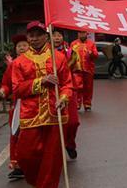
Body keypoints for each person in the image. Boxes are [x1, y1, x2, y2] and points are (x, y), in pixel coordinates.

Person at [12, 21, 72, 188]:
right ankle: (38, 183)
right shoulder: (19, 62)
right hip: (30, 116)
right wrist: (41, 81)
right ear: (27, 37)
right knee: (25, 156)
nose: (35, 38)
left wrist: (64, 97)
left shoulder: (58, 58)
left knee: (52, 159)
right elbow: (17, 89)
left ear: (46, 36)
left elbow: (67, 83)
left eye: (39, 35)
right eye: (31, 35)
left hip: (55, 114)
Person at [0, 34, 29, 180]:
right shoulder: (13, 66)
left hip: (38, 103)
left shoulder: (38, 61)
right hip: (18, 105)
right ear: (16, 49)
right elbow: (6, 84)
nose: (22, 48)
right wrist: (3, 91)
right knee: (16, 134)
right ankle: (18, 166)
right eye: (19, 46)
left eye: (24, 45)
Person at [53, 29, 82, 160]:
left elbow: (76, 68)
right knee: (55, 124)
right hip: (52, 91)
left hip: (69, 88)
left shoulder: (70, 52)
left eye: (59, 35)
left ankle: (69, 143)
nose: (57, 38)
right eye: (54, 35)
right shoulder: (45, 54)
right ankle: (57, 148)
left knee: (73, 122)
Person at [69, 31, 98, 111]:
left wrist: (91, 53)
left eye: (83, 33)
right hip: (76, 69)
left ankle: (87, 104)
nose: (82, 34)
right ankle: (77, 104)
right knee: (77, 87)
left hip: (88, 69)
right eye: (80, 33)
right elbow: (69, 55)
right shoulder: (73, 43)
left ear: (86, 34)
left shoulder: (91, 44)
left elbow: (96, 55)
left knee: (88, 87)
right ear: (78, 34)